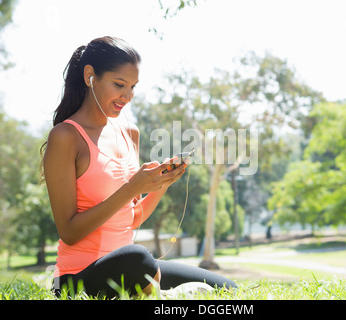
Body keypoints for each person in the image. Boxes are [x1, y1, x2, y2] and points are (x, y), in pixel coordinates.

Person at [41, 36, 237, 298]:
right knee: (138, 258)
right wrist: (133, 186)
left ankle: (153, 292)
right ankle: (163, 296)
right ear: (90, 76)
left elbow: (131, 219)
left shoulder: (129, 133)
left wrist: (160, 185)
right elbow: (69, 231)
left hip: (130, 267)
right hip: (76, 279)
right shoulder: (66, 136)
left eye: (133, 87)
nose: (128, 96)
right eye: (119, 85)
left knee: (227, 288)